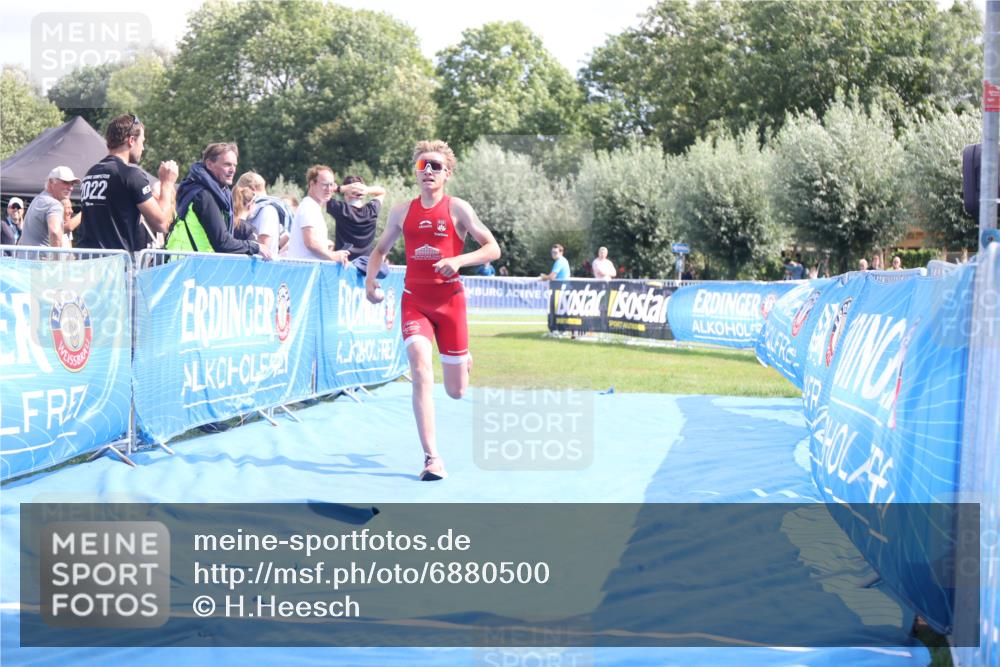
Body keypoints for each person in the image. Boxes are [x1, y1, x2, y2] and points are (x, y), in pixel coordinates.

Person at [365, 140, 500, 481]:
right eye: (422, 165)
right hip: (415, 301)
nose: (428, 171)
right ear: (416, 172)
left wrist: (459, 260)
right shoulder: (401, 212)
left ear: (447, 173)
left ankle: (463, 360)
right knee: (421, 369)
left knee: (456, 391)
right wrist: (370, 281)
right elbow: (380, 251)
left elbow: (492, 248)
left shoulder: (458, 209)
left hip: (450, 302)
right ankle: (432, 458)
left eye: (435, 166)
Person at [77, 114, 178, 253]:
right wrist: (167, 183)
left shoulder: (91, 173)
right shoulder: (130, 175)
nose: (143, 148)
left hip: (86, 258)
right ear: (131, 140)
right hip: (112, 261)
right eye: (142, 142)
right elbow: (161, 224)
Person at [167, 143, 269, 258]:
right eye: (227, 164)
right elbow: (223, 243)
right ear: (209, 164)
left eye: (234, 165)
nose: (232, 170)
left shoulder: (209, 191)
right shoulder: (203, 195)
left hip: (194, 262)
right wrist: (255, 247)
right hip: (189, 264)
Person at [284, 165, 349, 263]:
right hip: (304, 269)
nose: (329, 189)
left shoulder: (312, 207)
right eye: (325, 184)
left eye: (331, 184)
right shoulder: (308, 207)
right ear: (312, 184)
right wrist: (333, 256)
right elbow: (311, 243)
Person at [19, 166, 82, 250]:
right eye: (66, 182)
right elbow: (55, 232)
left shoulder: (38, 199)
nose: (70, 188)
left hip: (26, 256)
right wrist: (56, 257)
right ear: (51, 182)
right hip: (41, 257)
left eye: (72, 184)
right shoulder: (54, 204)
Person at [327, 175, 386, 260]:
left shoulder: (340, 209)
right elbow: (382, 192)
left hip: (343, 263)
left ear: (346, 194)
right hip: (365, 265)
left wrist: (340, 188)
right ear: (363, 194)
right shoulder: (371, 211)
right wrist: (367, 189)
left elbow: (322, 194)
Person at [236, 171, 292, 258]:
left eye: (243, 191)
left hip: (262, 263)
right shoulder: (258, 209)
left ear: (252, 189)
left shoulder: (267, 210)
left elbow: (264, 245)